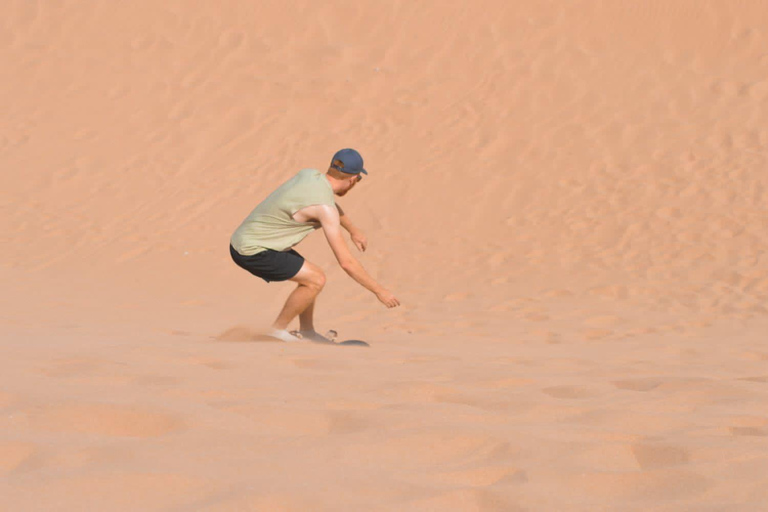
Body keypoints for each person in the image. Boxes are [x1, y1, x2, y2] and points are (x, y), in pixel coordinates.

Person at [229, 148, 401, 343]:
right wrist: (380, 291)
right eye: (358, 180)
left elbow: (329, 203)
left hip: (245, 239)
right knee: (315, 279)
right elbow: (347, 263)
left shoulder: (309, 175)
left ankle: (307, 331)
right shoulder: (324, 209)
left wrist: (353, 230)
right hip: (252, 250)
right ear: (353, 179)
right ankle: (277, 331)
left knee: (311, 276)